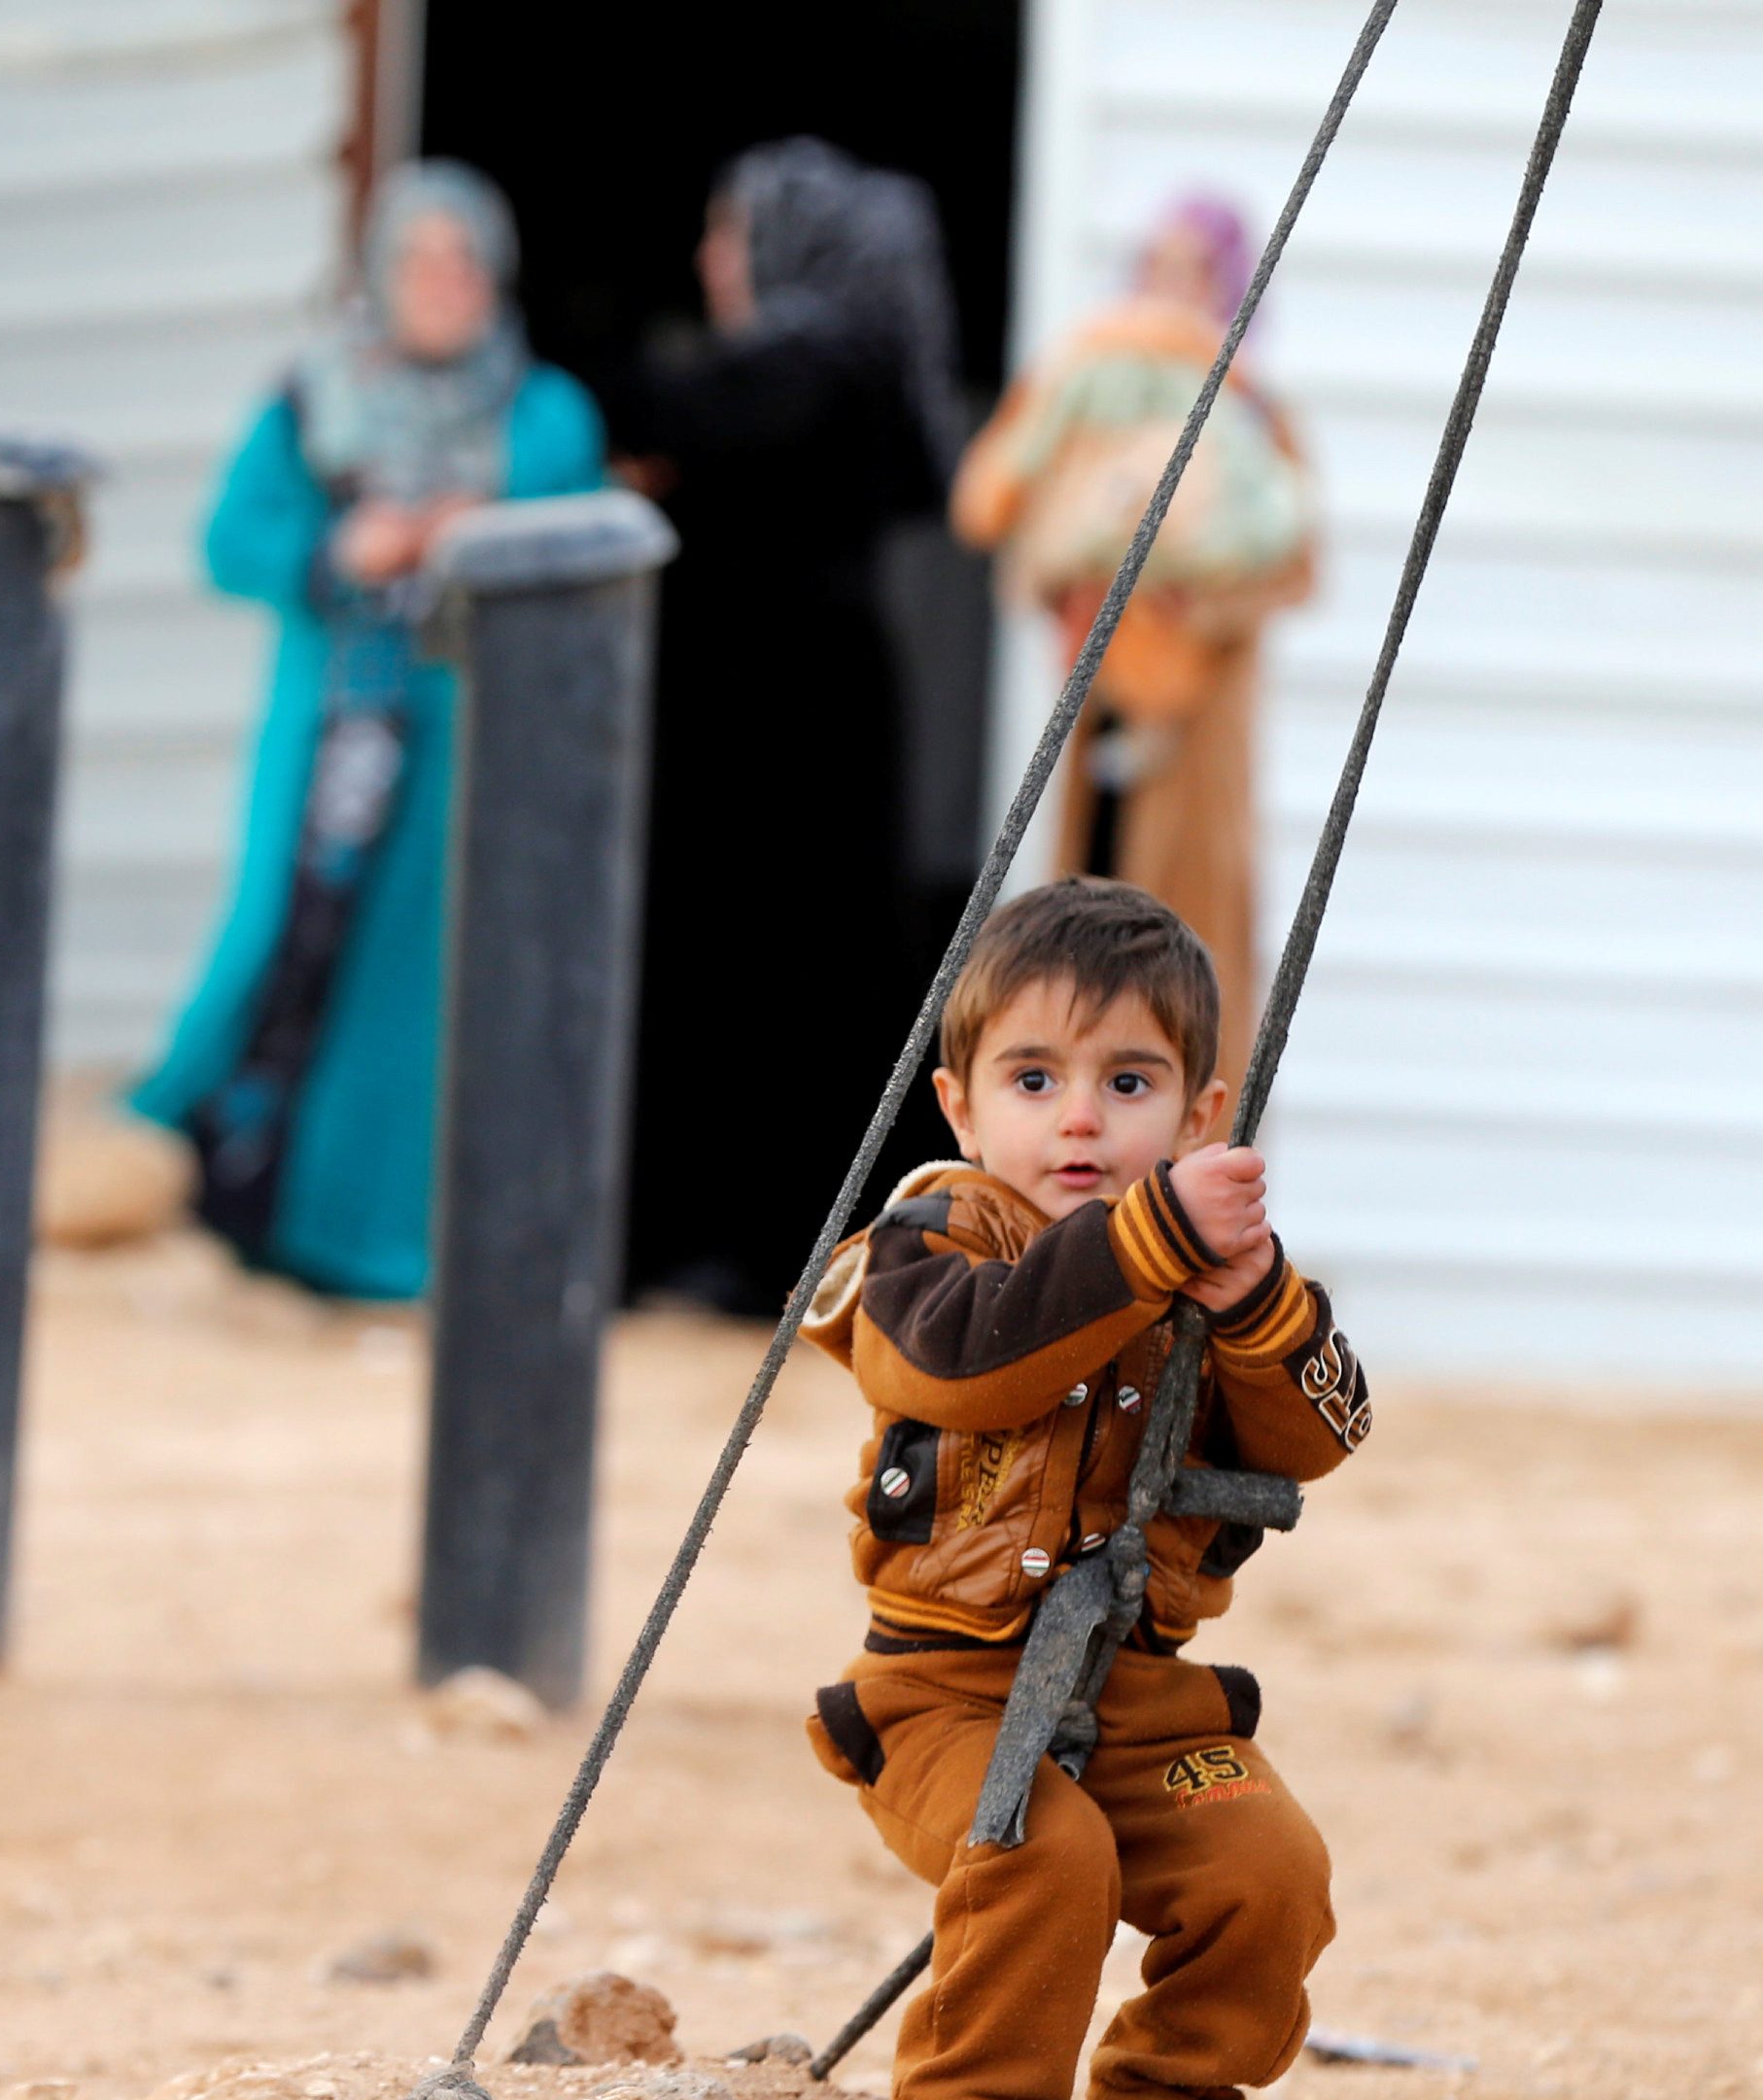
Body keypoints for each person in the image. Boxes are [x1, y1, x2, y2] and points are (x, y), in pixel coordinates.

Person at [796, 878, 1368, 2100]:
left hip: (1141, 1699)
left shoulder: (1214, 1272)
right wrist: (1147, 1242)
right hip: (941, 1694)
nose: (1078, 1118)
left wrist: (1256, 1305)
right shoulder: (932, 1242)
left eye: (1128, 1082)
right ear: (961, 1102)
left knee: (1267, 1865)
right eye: (1035, 1076)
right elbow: (970, 1362)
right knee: (1043, 1849)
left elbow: (1318, 1432)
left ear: (1201, 1115)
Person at [131, 161, 605, 1299]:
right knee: (275, 946)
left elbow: (575, 537)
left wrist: (470, 528)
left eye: (464, 261)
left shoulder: (537, 410)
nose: (444, 284)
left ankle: (376, 1243)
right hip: (331, 742)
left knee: (420, 990)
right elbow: (229, 539)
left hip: (472, 752)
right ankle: (203, 1188)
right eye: (419, 259)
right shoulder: (313, 398)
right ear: (377, 273)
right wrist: (339, 553)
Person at [606, 137, 961, 1318]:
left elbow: (645, 404)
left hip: (781, 723)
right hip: (795, 709)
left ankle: (757, 1249)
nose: (712, 260)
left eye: (728, 233)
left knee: (770, 969)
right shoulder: (837, 368)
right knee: (783, 967)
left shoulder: (817, 364)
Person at [952, 198, 1316, 1083]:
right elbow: (1018, 535)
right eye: (1154, 265)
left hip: (1197, 733)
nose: (1167, 289)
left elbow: (1292, 565)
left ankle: (1191, 1160)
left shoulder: (1253, 415)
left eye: (1190, 270)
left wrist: (1189, 596)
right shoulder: (1090, 392)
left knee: (1192, 953)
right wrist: (1076, 574)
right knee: (1091, 935)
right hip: (1101, 713)